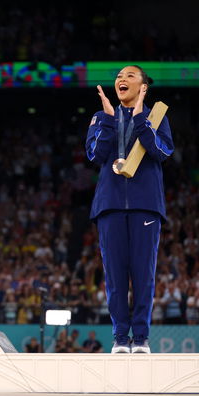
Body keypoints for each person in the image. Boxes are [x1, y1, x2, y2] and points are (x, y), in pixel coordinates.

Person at [85, 65, 174, 354]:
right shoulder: (101, 117)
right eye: (119, 76)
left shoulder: (156, 116)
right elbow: (95, 155)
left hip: (146, 205)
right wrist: (110, 122)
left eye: (130, 76)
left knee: (143, 274)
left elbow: (161, 153)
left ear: (143, 86)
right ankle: (120, 338)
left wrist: (140, 121)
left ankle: (142, 339)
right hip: (109, 205)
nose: (121, 80)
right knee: (115, 276)